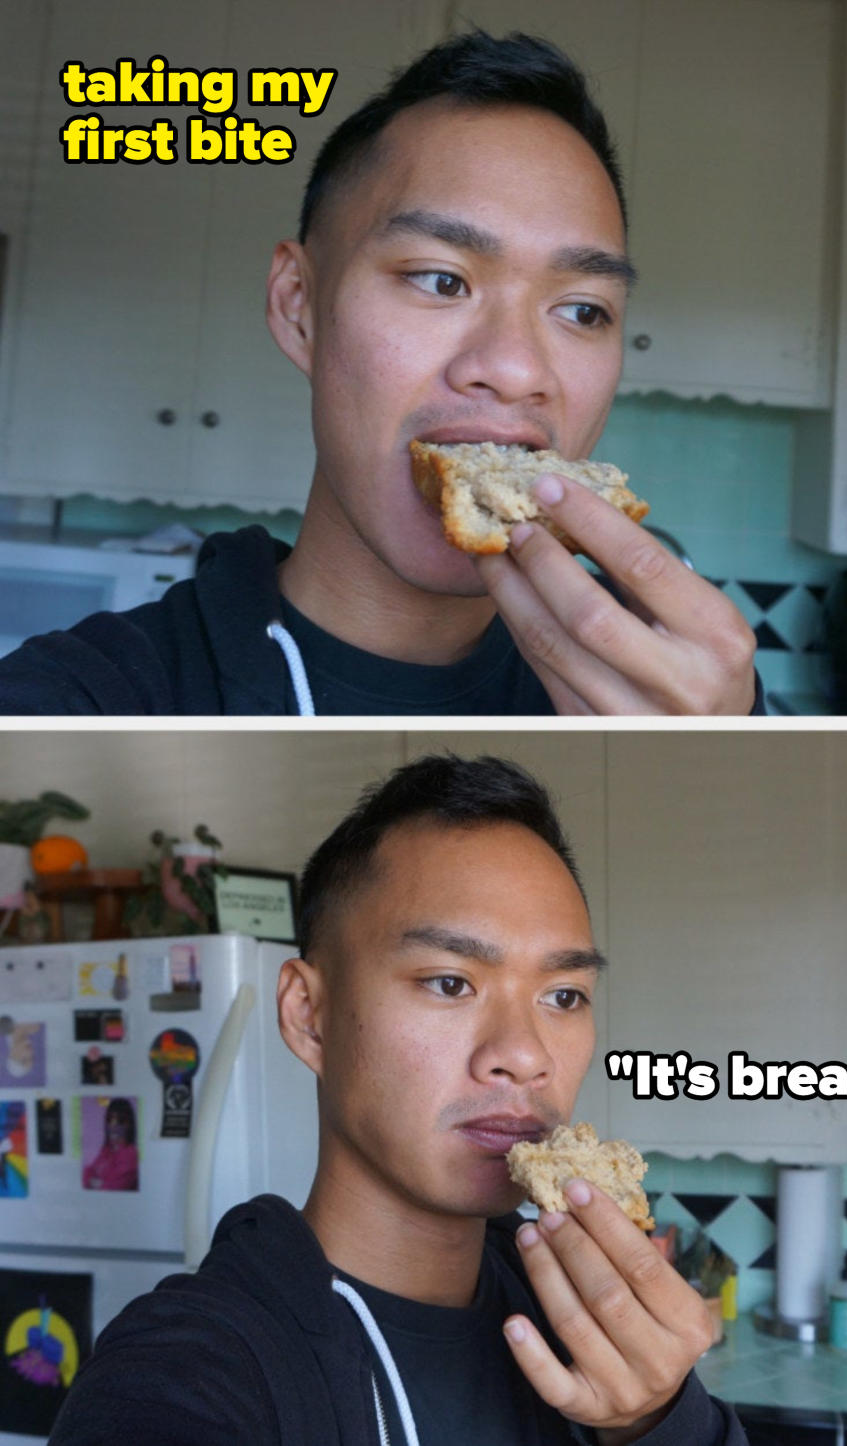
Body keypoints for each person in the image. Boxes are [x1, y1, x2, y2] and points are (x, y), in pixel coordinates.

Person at [0, 31, 760, 717]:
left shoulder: (686, 698)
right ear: (299, 305)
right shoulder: (78, 699)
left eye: (583, 311)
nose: (517, 369)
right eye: (440, 279)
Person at [51, 755, 745, 1444]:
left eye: (563, 996)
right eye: (449, 982)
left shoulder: (596, 1334)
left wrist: (657, 1424)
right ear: (307, 1014)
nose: (527, 1055)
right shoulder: (186, 1370)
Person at [81, 1098, 138, 1192]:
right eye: (109, 1120)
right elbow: (86, 1174)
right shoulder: (107, 1150)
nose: (113, 1125)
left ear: (130, 1124)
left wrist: (95, 1182)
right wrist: (99, 1183)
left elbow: (112, 1189)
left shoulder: (130, 1154)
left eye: (120, 1120)